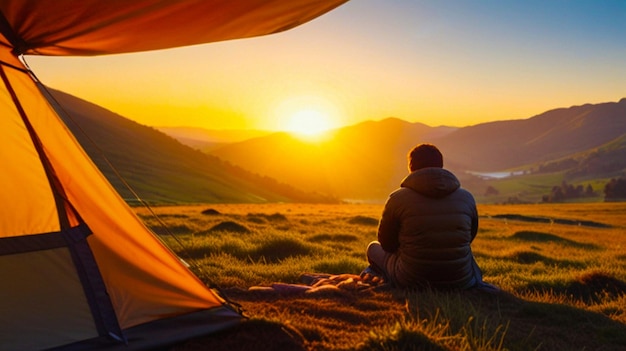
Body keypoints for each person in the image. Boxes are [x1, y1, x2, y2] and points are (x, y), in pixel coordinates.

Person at [364, 143, 491, 290]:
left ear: (411, 167)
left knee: (373, 248)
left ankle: (379, 276)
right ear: (441, 165)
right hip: (460, 278)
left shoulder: (397, 198)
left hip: (410, 279)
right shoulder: (466, 197)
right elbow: (469, 238)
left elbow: (386, 244)